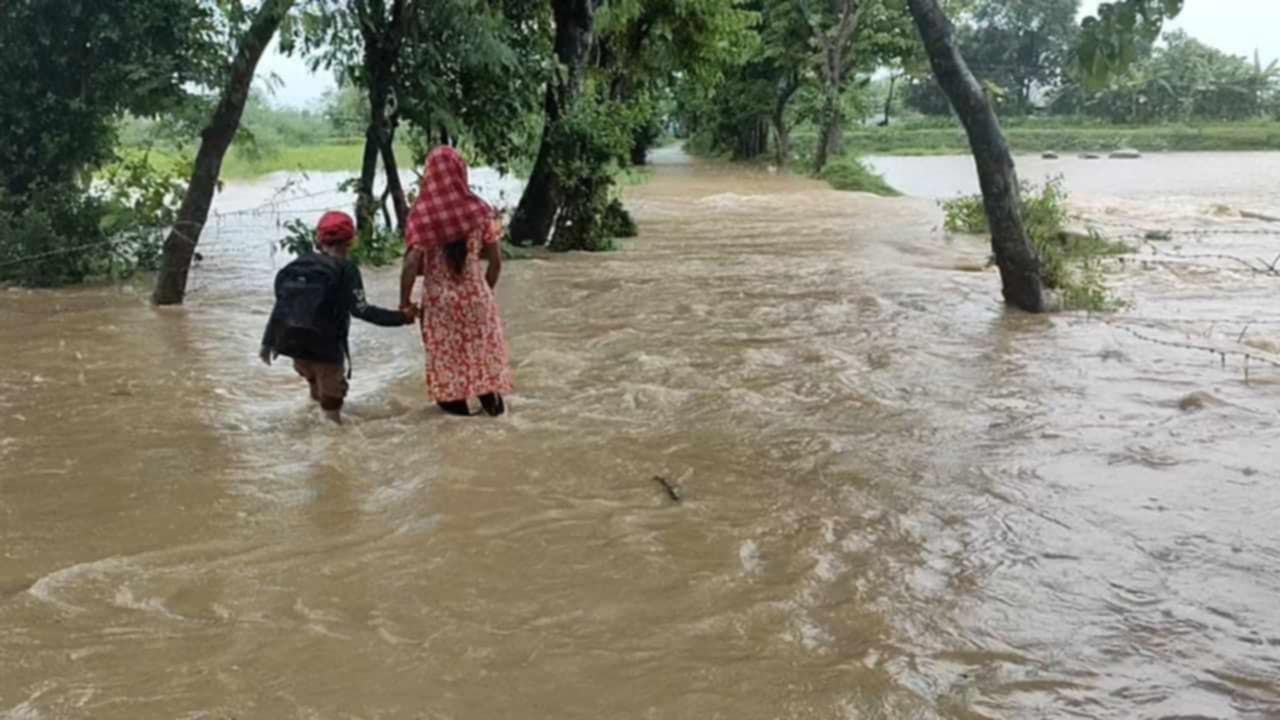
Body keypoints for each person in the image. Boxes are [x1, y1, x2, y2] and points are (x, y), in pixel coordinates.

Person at [261, 211, 414, 424]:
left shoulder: (299, 265)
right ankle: (331, 442)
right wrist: (401, 317)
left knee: (315, 397)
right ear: (351, 241)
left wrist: (267, 344)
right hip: (326, 349)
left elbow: (281, 307)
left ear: (318, 239)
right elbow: (361, 310)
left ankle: (307, 433)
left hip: (295, 348)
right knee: (331, 413)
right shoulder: (347, 269)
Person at [400, 147, 513, 417]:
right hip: (477, 299)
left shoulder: (421, 215)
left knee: (449, 375)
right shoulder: (480, 211)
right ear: (461, 172)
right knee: (482, 371)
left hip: (440, 305)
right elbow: (496, 262)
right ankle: (496, 424)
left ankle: (461, 428)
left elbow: (411, 264)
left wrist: (404, 302)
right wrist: (483, 293)